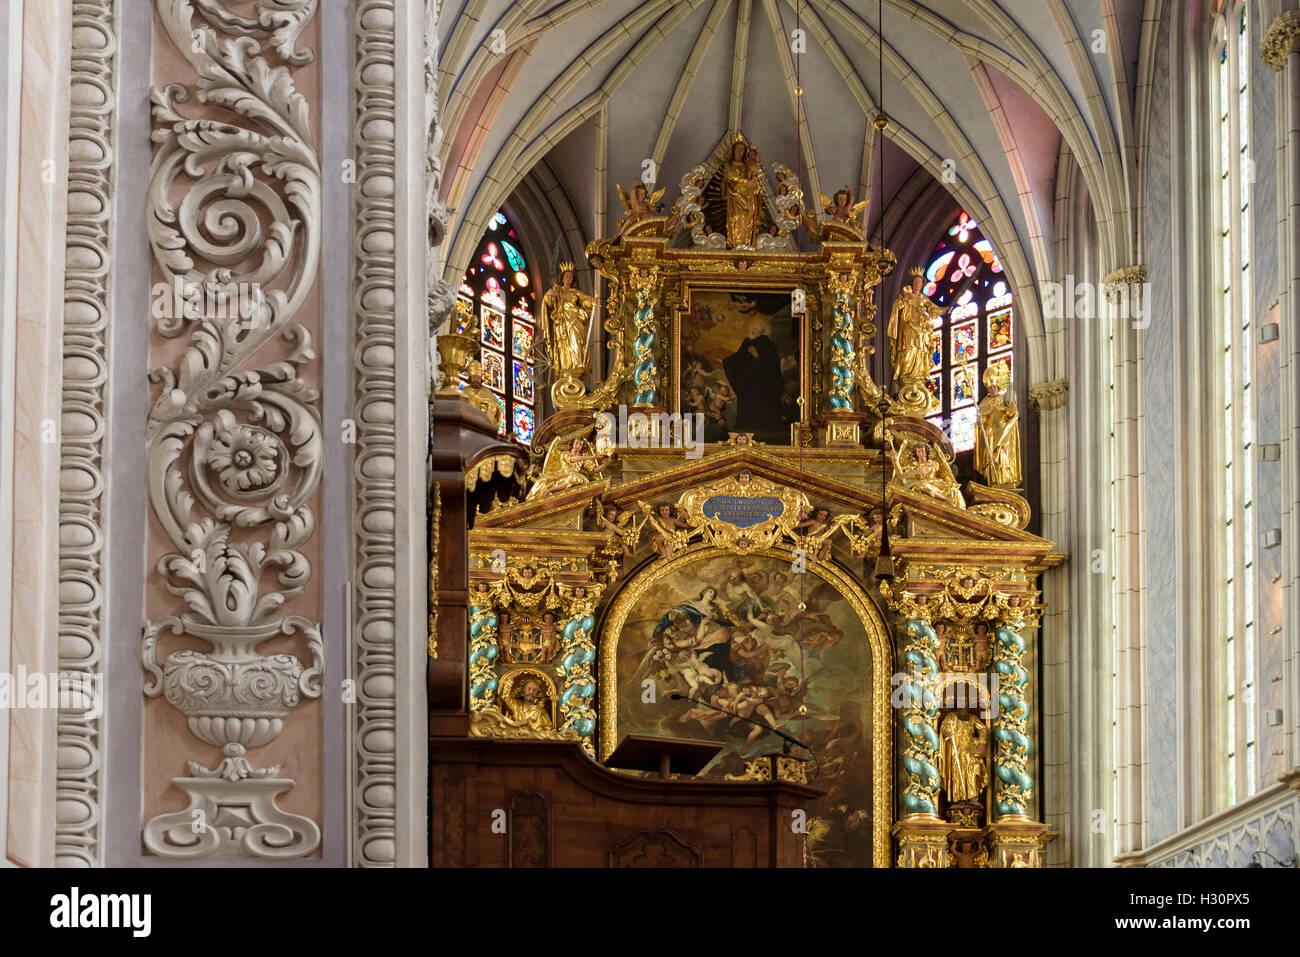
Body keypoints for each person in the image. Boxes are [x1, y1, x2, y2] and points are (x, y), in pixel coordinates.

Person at [723, 319, 785, 433]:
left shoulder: (767, 343)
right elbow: (738, 356)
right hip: (747, 381)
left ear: (762, 332)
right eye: (753, 328)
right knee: (747, 403)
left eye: (756, 329)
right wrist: (726, 361)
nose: (753, 331)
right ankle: (746, 425)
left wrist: (757, 356)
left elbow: (772, 363)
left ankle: (763, 427)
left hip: (762, 382)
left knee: (760, 404)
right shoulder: (747, 341)